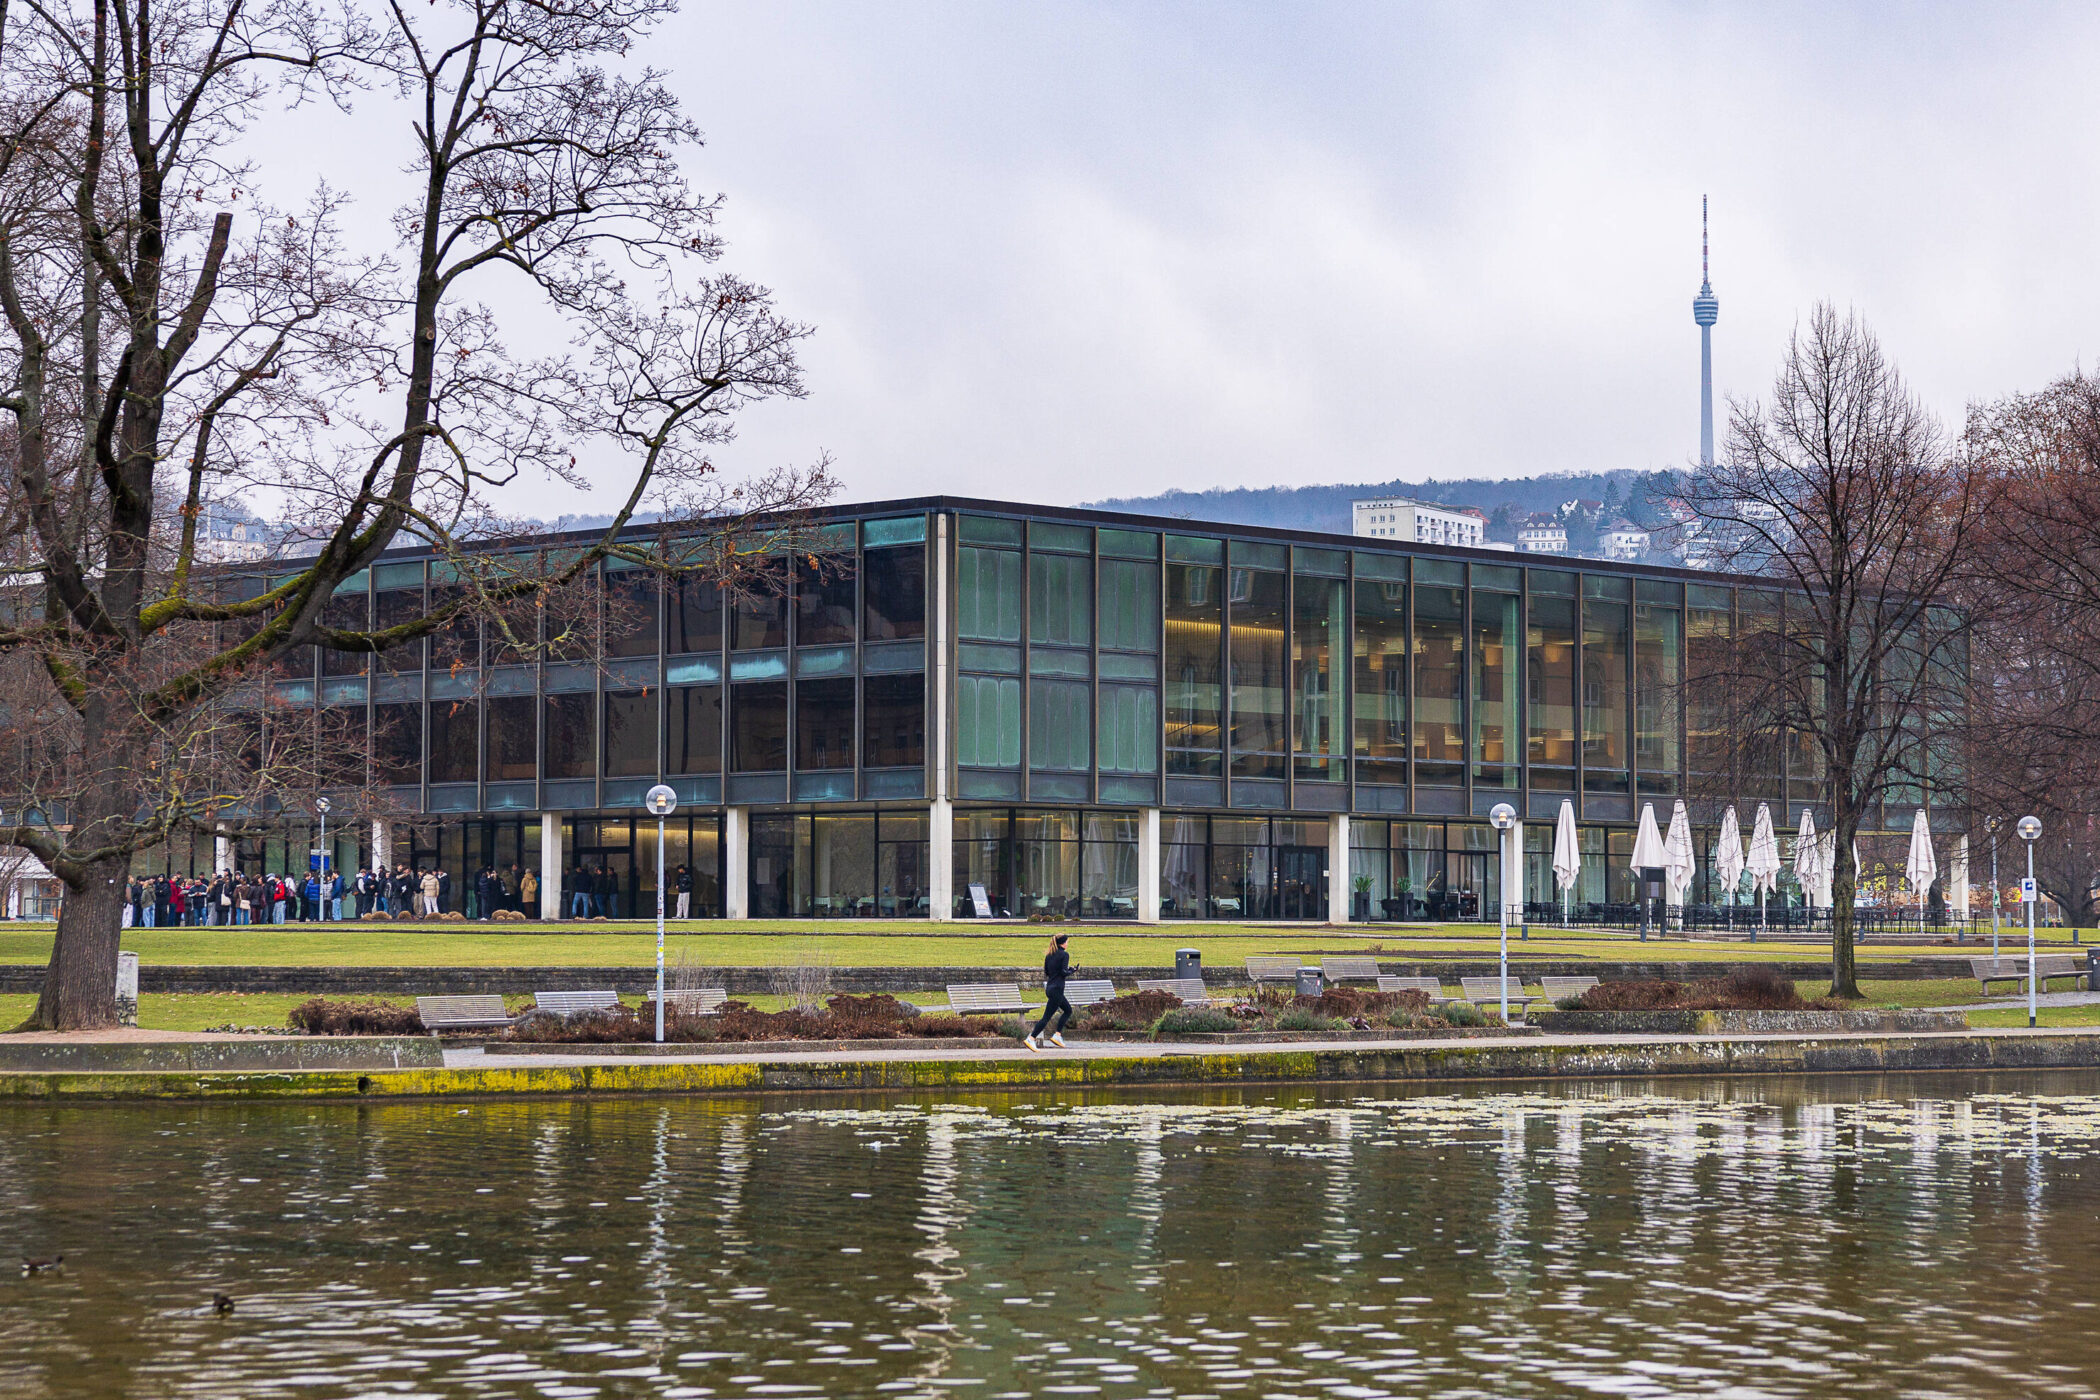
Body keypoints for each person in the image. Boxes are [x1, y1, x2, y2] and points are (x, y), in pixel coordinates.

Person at [1024, 933, 1074, 1052]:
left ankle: (1057, 1035)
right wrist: (1072, 971)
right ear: (1062, 943)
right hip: (1057, 989)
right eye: (1067, 942)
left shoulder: (1049, 955)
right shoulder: (1064, 955)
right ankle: (1031, 1038)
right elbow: (1063, 972)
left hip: (1050, 988)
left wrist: (1063, 971)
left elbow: (1047, 971)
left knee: (1068, 1010)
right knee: (1046, 1018)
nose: (1067, 944)